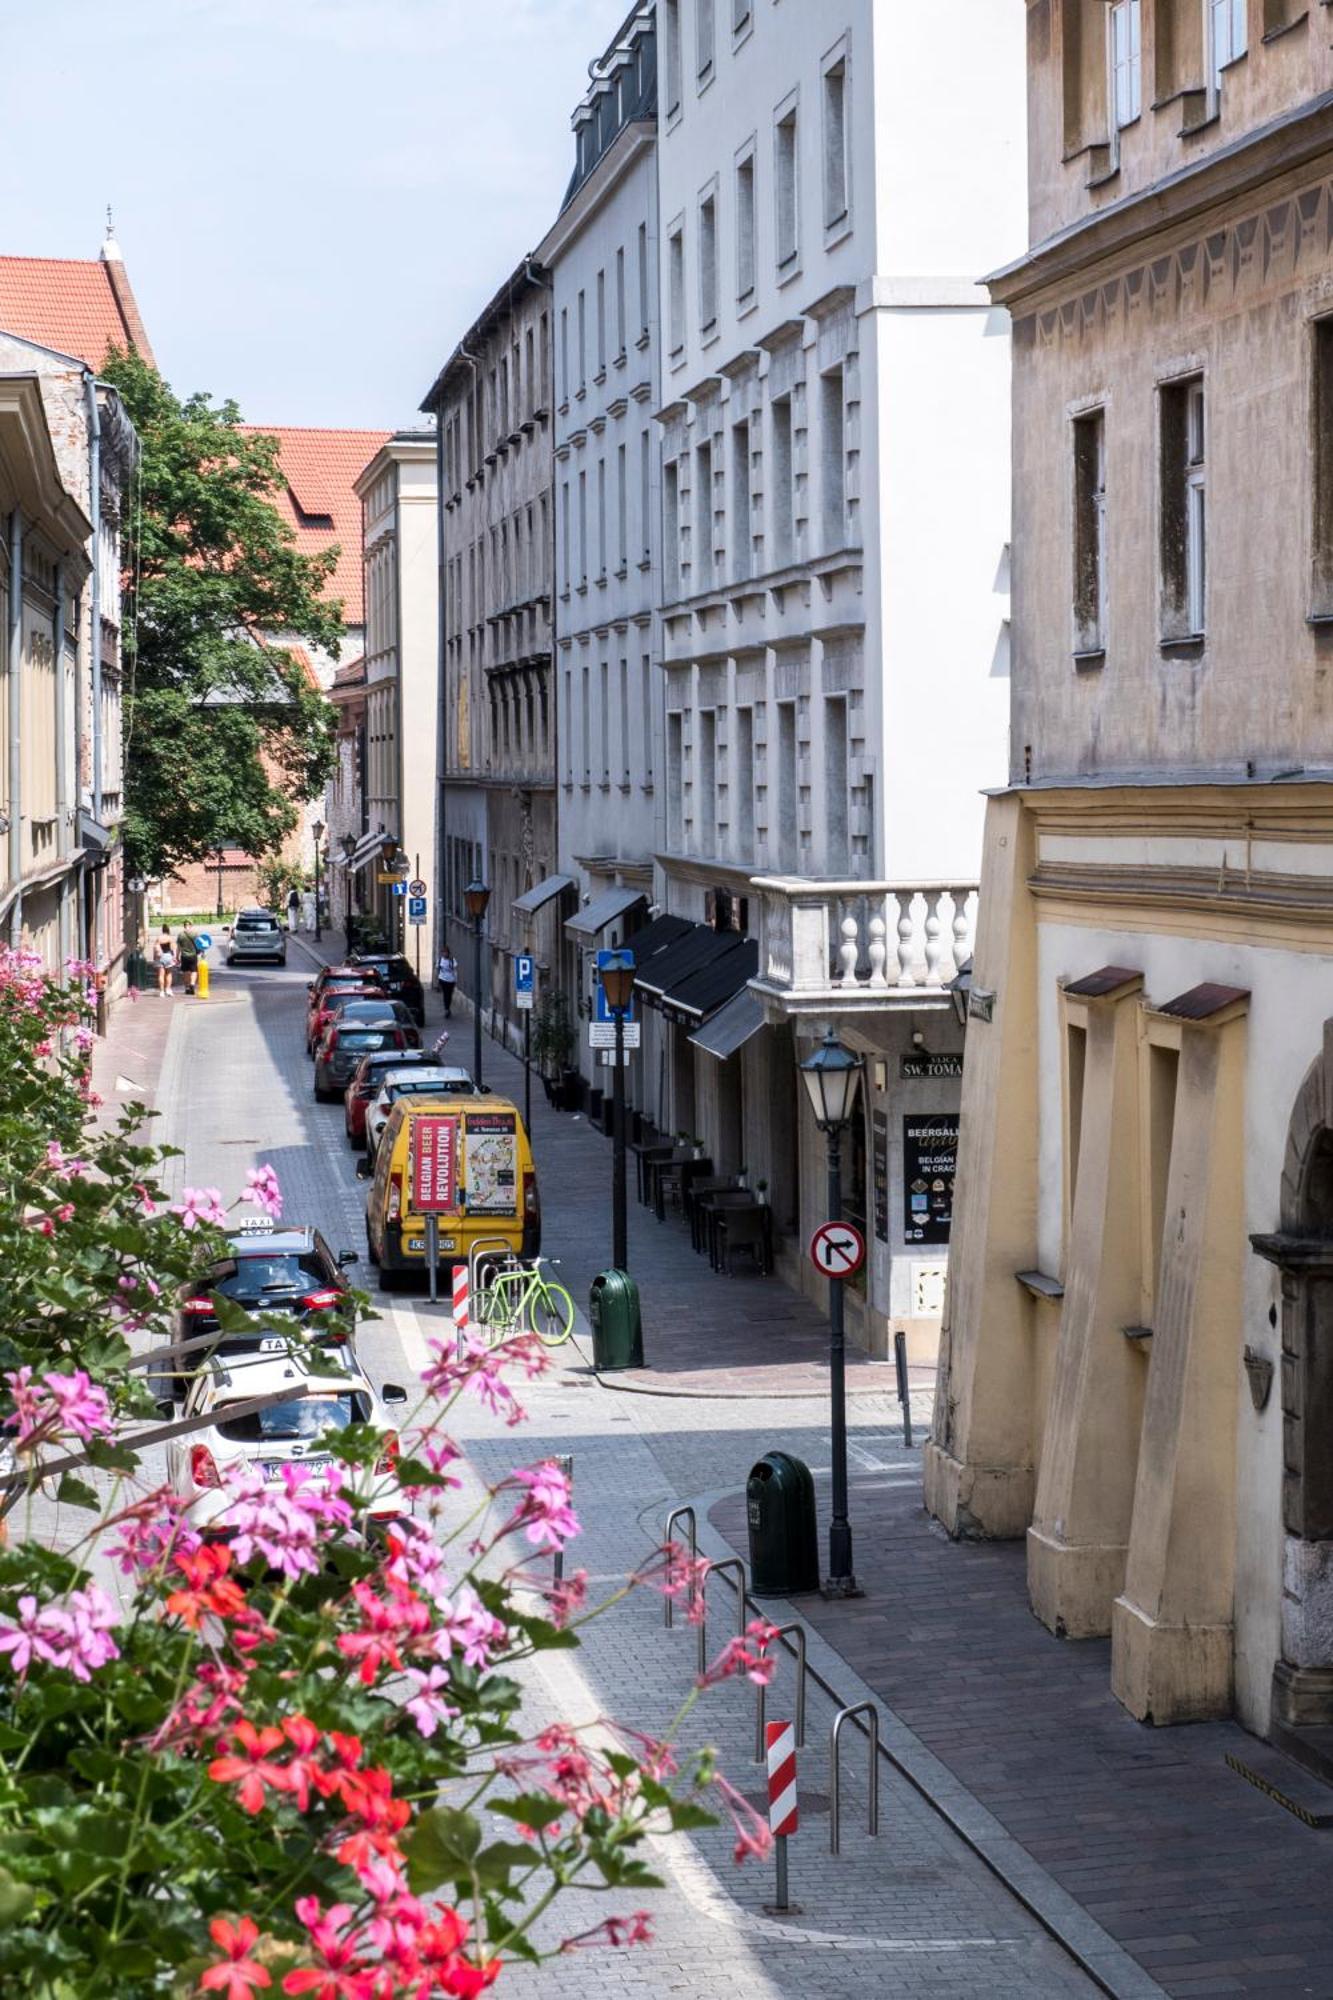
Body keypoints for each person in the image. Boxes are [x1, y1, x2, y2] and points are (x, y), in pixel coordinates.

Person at [177, 928, 199, 996]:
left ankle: (187, 988)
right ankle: (192, 984)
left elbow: (178, 947)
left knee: (185, 972)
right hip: (193, 955)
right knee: (194, 971)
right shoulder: (195, 934)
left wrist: (177, 956)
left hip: (184, 956)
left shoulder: (180, 935)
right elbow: (199, 944)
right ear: (191, 926)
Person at [154, 926, 176, 997]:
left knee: (161, 975)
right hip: (168, 956)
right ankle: (168, 989)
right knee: (169, 974)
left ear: (162, 930)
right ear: (168, 930)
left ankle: (161, 991)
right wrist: (174, 957)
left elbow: (155, 948)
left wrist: (154, 957)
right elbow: (173, 949)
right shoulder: (170, 938)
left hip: (160, 957)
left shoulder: (159, 938)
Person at [437, 950, 458, 1018]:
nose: (445, 954)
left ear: (448, 953)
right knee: (446, 994)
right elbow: (437, 969)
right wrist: (437, 979)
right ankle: (446, 1009)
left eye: (446, 952)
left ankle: (448, 1008)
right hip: (443, 979)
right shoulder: (440, 960)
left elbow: (455, 971)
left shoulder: (452, 960)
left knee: (449, 995)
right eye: (443, 953)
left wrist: (455, 980)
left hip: (451, 980)